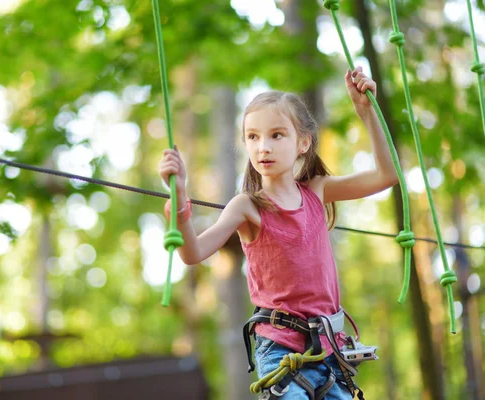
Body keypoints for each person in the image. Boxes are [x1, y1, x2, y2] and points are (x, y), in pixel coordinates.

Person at [158, 66, 397, 399]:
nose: (263, 147)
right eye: (253, 137)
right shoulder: (247, 206)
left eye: (276, 135)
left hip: (329, 352)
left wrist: (366, 112)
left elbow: (387, 176)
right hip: (280, 350)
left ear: (303, 143)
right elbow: (193, 253)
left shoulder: (317, 191)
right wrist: (181, 205)